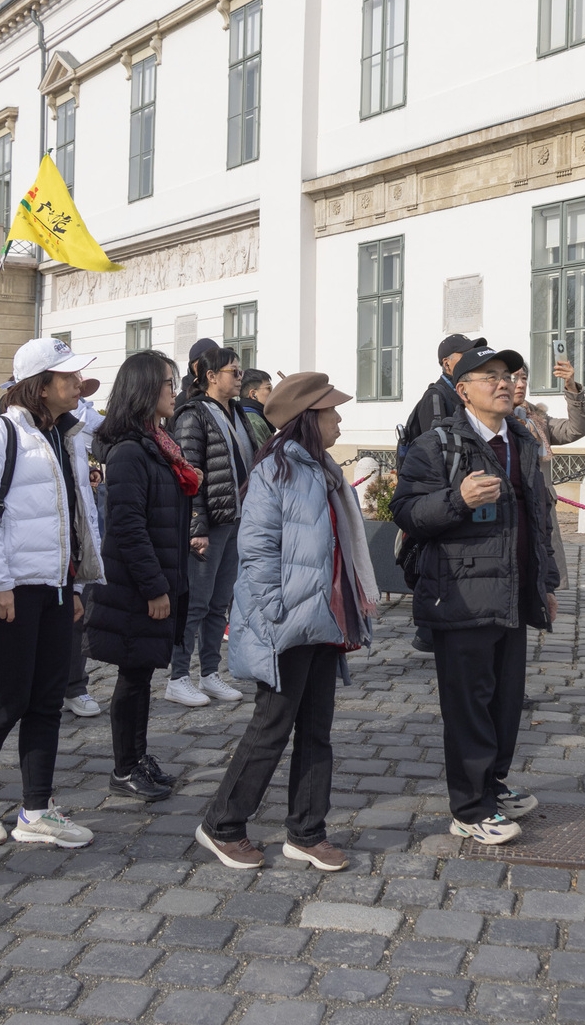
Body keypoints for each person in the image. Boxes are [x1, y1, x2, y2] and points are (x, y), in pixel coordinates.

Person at [196, 373, 376, 871]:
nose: (339, 419)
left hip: (325, 619)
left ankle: (306, 831)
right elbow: (257, 548)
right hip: (288, 621)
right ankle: (222, 824)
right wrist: (278, 609)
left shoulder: (322, 468)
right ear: (308, 419)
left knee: (317, 727)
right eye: (331, 412)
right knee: (272, 725)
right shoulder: (278, 468)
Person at [393, 346, 557, 846]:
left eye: (508, 375)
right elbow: (407, 513)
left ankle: (494, 785)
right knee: (468, 704)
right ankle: (469, 806)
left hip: (511, 590)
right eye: (490, 377)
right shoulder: (435, 445)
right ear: (463, 389)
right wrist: (457, 500)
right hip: (459, 594)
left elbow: (539, 521)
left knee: (506, 701)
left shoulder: (523, 440)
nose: (504, 383)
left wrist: (544, 582)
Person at [0, 337, 103, 849]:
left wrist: (74, 583)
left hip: (54, 588)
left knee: (46, 701)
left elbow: (77, 517)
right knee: (7, 697)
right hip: (10, 590)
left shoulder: (67, 436)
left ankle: (36, 808)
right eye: (68, 376)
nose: (78, 384)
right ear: (41, 385)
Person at [86, 352, 195, 803]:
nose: (175, 391)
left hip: (161, 576)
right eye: (168, 384)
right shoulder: (132, 451)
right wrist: (155, 587)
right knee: (133, 678)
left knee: (142, 675)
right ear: (146, 391)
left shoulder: (157, 443)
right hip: (138, 586)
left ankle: (138, 755)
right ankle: (124, 766)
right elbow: (128, 527)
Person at [166, 346, 257, 707]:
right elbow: (190, 478)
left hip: (234, 518)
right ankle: (177, 677)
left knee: (220, 603)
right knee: (196, 605)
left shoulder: (235, 411)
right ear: (211, 376)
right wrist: (196, 527)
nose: (239, 377)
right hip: (210, 524)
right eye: (233, 371)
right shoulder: (193, 415)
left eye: (240, 371)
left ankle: (209, 673)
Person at [399, 334, 486, 654]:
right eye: (466, 356)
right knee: (436, 561)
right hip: (439, 495)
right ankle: (429, 630)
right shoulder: (437, 397)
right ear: (447, 363)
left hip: (457, 493)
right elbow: (439, 449)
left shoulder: (458, 394)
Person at [511, 354, 585, 589]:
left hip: (541, 505)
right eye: (514, 378)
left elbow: (576, 429)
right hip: (511, 505)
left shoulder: (537, 419)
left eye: (524, 378)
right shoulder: (490, 420)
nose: (521, 383)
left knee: (542, 569)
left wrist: (572, 389)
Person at [63, 381, 107, 721]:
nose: (79, 389)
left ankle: (75, 685)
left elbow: (105, 437)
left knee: (79, 610)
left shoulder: (83, 414)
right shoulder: (5, 425)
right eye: (69, 380)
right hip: (39, 538)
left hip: (80, 528)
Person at [238, 370, 275, 446]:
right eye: (269, 388)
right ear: (253, 394)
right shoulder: (253, 421)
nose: (273, 392)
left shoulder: (242, 413)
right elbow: (260, 456)